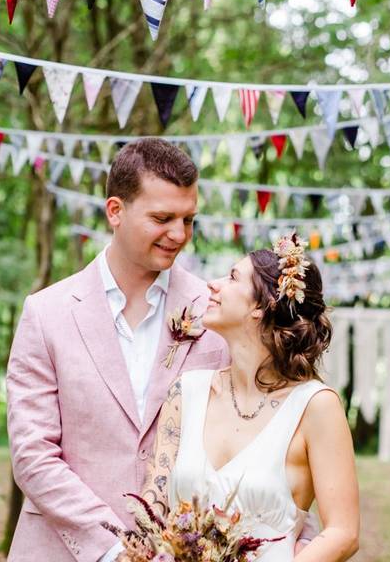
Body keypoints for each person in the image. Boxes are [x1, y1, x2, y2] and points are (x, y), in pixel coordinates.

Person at [6, 139, 229, 561]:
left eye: (188, 219)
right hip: (61, 551)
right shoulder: (46, 313)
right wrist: (116, 550)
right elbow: (33, 454)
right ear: (115, 211)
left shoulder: (216, 314)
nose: (179, 235)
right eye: (162, 218)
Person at [139, 234, 360, 561]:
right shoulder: (186, 391)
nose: (212, 285)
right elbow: (153, 505)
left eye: (231, 277)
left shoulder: (315, 406)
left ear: (262, 306)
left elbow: (344, 532)